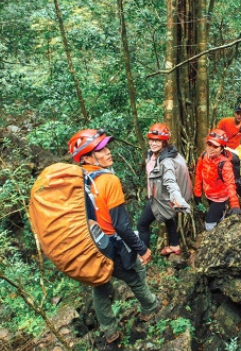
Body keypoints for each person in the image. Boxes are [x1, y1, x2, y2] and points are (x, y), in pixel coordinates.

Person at [68, 129, 160, 344]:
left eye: (106, 147)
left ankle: (110, 331)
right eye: (101, 149)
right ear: (87, 157)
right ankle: (150, 307)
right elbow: (120, 225)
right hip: (110, 245)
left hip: (87, 245)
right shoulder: (108, 181)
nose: (108, 152)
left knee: (99, 286)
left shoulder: (74, 181)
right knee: (135, 275)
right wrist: (142, 249)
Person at [137, 123, 191, 257]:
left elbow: (170, 181)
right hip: (159, 196)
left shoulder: (166, 160)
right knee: (168, 218)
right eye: (151, 139)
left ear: (164, 141)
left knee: (142, 225)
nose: (153, 143)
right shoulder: (154, 154)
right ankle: (175, 245)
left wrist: (177, 199)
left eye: (158, 140)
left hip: (162, 197)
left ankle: (144, 254)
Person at [194, 128, 241, 231]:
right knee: (217, 214)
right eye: (209, 144)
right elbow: (198, 175)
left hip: (220, 197)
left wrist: (234, 204)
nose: (210, 148)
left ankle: (213, 236)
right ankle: (221, 215)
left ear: (222, 148)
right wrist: (197, 193)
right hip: (208, 194)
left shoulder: (225, 164)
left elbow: (230, 184)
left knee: (209, 224)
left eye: (215, 146)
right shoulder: (203, 156)